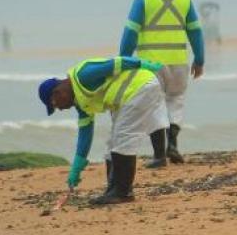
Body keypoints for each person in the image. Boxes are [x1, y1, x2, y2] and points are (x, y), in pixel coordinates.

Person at [38, 56, 168, 205]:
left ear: (57, 92)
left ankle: (123, 192)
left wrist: (142, 63)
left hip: (140, 86)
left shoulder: (83, 75)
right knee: (113, 143)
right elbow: (85, 133)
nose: (60, 109)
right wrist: (77, 166)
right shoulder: (81, 102)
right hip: (127, 97)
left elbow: (116, 63)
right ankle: (113, 190)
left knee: (124, 137)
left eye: (55, 105)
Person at [119, 0, 205, 168]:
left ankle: (159, 156)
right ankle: (172, 145)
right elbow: (194, 29)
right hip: (178, 61)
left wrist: (123, 60)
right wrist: (199, 59)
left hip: (151, 64)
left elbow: (131, 31)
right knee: (176, 100)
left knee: (153, 105)